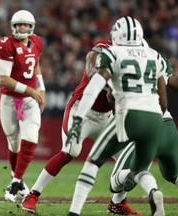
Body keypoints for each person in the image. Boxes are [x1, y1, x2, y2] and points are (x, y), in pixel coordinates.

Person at [67, 16, 166, 216]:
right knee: (138, 168)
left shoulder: (112, 53)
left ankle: (74, 213)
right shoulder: (154, 55)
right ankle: (153, 190)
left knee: (93, 162)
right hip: (155, 118)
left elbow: (93, 89)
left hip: (129, 115)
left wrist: (78, 119)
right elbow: (163, 102)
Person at [21, 39, 115, 213]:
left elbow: (112, 98)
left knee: (127, 159)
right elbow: (92, 66)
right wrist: (114, 82)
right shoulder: (101, 51)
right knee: (71, 150)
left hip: (106, 117)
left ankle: (118, 203)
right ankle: (32, 194)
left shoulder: (128, 62)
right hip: (82, 111)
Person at [108, 57, 178, 215]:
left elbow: (111, 97)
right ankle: (120, 200)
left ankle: (152, 191)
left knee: (115, 182)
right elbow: (175, 83)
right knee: (174, 174)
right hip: (168, 126)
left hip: (146, 128)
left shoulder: (121, 60)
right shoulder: (156, 58)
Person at [0, 9, 46, 202]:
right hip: (9, 100)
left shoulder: (37, 42)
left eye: (25, 24)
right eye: (18, 24)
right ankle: (19, 180)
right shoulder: (5, 45)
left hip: (29, 101)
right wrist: (32, 91)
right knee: (14, 144)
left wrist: (42, 89)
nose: (21, 28)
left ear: (31, 27)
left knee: (31, 138)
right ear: (12, 27)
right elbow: (4, 80)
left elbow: (36, 64)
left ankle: (15, 181)